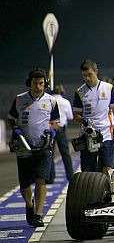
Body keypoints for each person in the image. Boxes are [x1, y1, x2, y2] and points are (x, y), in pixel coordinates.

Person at [7, 68, 59, 227]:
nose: (38, 86)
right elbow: (11, 118)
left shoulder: (51, 101)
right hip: (24, 146)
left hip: (44, 146)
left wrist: (52, 131)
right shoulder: (19, 99)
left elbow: (55, 122)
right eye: (35, 83)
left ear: (45, 84)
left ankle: (38, 215)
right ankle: (29, 205)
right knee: (24, 183)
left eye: (41, 83)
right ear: (29, 83)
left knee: (41, 179)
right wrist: (15, 129)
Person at [72, 59, 114, 174]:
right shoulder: (79, 92)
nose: (87, 78)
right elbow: (76, 117)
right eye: (84, 76)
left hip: (106, 134)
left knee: (108, 169)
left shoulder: (109, 88)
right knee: (88, 172)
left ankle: (107, 186)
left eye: (89, 74)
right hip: (88, 136)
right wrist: (82, 120)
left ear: (96, 71)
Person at [51, 85, 74, 181]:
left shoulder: (49, 100)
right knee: (65, 153)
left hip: (51, 128)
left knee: (50, 154)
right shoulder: (65, 102)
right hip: (61, 129)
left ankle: (50, 177)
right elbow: (70, 117)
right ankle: (70, 176)